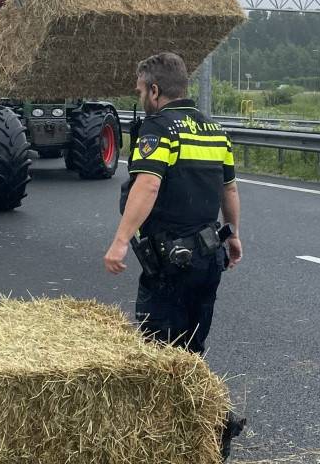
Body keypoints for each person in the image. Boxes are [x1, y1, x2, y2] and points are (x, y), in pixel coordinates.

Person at [102, 51, 245, 458]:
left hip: (171, 261)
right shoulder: (215, 131)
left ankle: (210, 425)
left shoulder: (159, 129)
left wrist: (120, 241)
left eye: (140, 90)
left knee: (155, 348)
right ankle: (208, 426)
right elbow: (229, 190)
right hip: (209, 256)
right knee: (191, 350)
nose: (140, 96)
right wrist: (233, 235)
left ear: (155, 90)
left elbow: (147, 184)